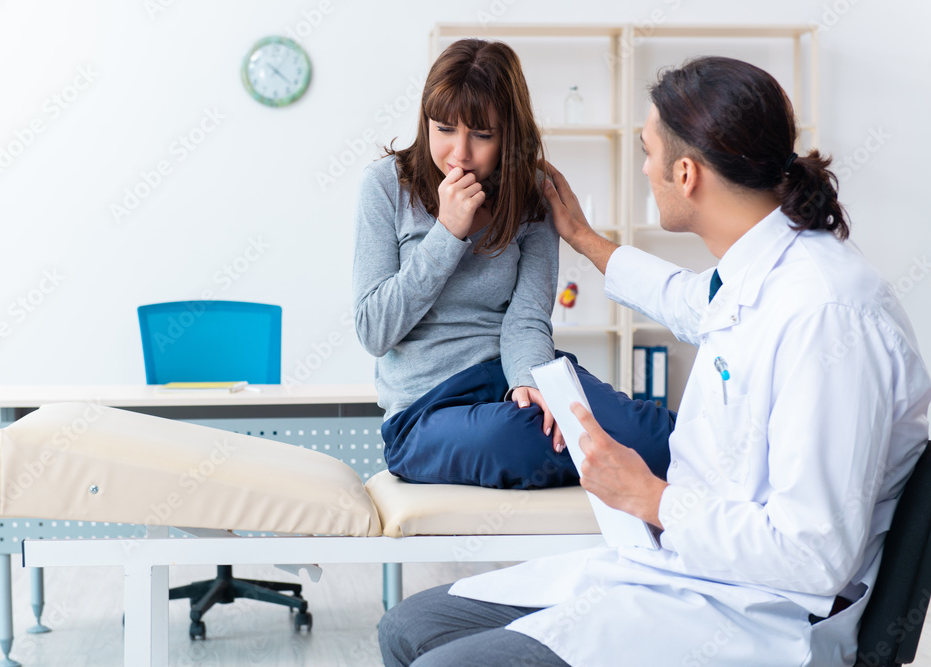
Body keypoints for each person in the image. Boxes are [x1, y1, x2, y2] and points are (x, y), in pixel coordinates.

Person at [378, 56, 931, 666]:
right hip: (689, 566)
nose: (643, 168)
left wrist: (651, 498)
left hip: (758, 612)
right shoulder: (759, 273)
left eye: (646, 152)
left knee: (442, 662)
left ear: (686, 173)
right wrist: (585, 238)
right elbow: (690, 302)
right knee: (410, 627)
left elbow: (814, 556)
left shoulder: (828, 317)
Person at [352, 38, 674, 490]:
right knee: (521, 441)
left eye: (482, 135)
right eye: (444, 129)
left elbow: (526, 316)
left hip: (513, 374)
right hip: (427, 409)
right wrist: (448, 234)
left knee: (659, 435)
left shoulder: (531, 191)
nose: (459, 154)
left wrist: (531, 382)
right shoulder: (386, 185)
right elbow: (373, 330)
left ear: (509, 134)